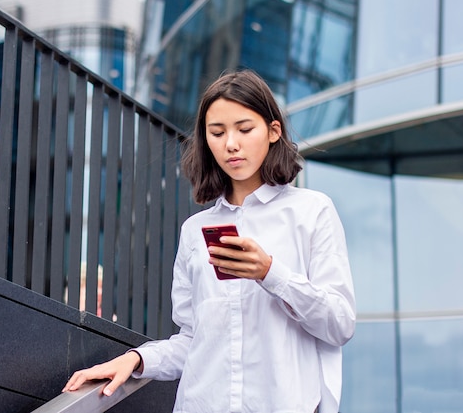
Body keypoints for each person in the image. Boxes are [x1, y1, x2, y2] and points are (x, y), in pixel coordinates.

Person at [63, 69, 356, 413]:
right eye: (217, 132)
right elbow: (193, 340)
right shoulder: (195, 230)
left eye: (245, 129)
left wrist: (270, 273)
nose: (231, 144)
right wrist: (138, 359)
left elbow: (339, 323)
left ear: (274, 131)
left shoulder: (311, 211)